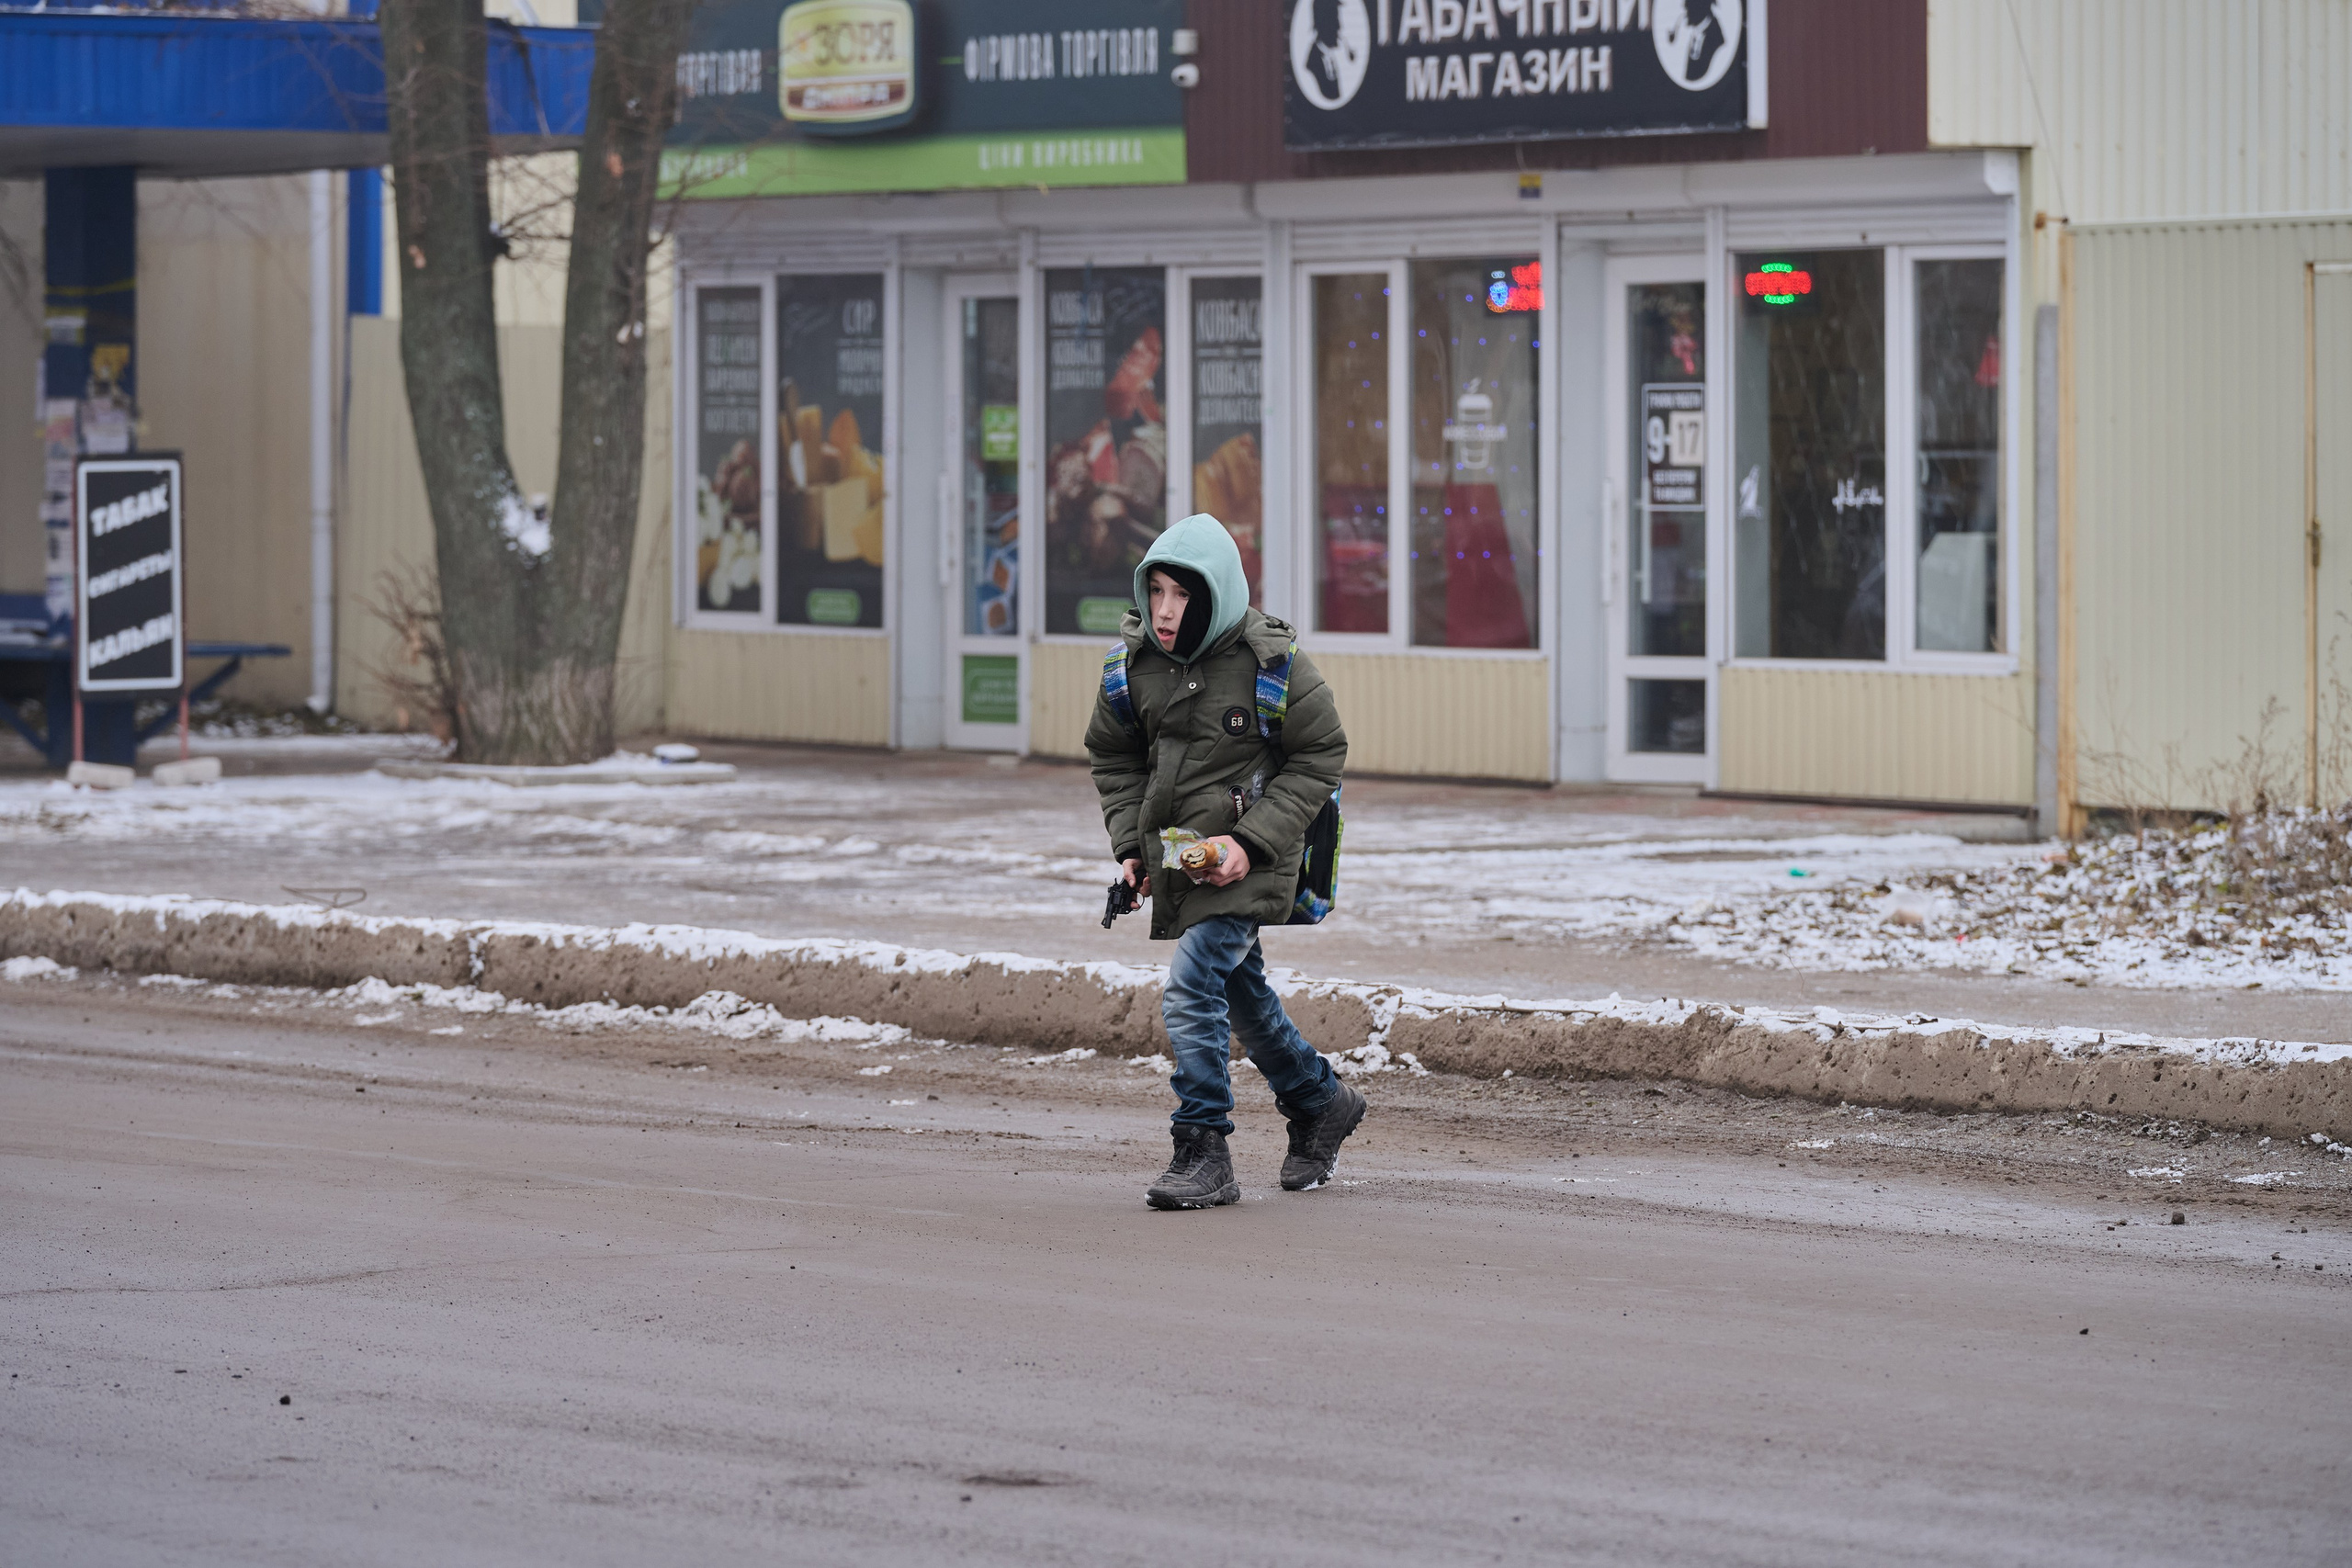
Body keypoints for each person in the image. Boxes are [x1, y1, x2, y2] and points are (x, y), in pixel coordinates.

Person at [1085, 513, 1365, 1210]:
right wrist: (1131, 849)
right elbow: (1114, 756)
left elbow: (1321, 754)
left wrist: (1251, 842)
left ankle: (1203, 1144)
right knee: (1240, 993)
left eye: (1182, 594)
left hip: (1256, 858)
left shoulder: (1273, 663)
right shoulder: (1131, 667)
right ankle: (1318, 1100)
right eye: (1157, 592)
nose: (1166, 611)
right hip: (1184, 861)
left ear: (1216, 592)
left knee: (1190, 985)